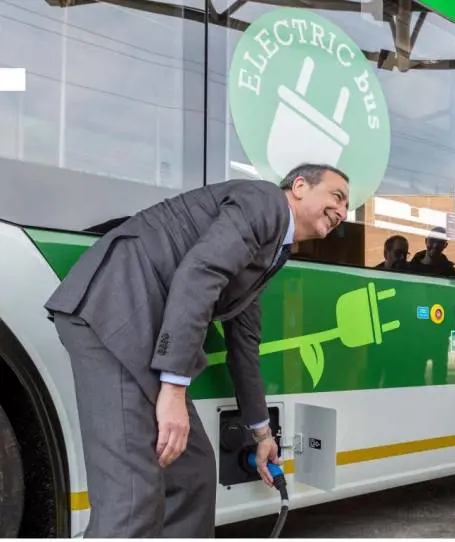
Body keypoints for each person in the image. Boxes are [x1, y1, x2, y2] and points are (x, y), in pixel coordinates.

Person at [45, 163, 350, 537]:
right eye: (338, 196)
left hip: (142, 337)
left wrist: (262, 434)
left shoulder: (270, 248)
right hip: (116, 317)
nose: (344, 212)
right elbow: (200, 272)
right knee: (132, 501)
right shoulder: (265, 202)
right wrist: (174, 388)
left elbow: (244, 342)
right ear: (299, 186)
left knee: (192, 475)